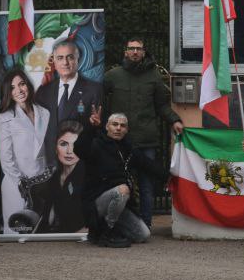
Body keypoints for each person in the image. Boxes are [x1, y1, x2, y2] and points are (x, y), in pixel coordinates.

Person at [102, 37, 183, 229]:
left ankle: (145, 225)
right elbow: (100, 103)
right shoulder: (112, 76)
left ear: (144, 52)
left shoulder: (153, 76)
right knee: (119, 185)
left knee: (147, 187)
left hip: (146, 141)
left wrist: (174, 120)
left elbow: (162, 105)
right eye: (132, 48)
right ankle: (120, 225)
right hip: (120, 141)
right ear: (125, 52)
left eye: (139, 49)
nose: (135, 52)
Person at [75, 111, 166, 248]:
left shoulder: (128, 149)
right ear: (107, 127)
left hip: (119, 203)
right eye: (115, 124)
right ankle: (106, 234)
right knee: (123, 190)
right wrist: (91, 127)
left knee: (143, 235)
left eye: (122, 126)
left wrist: (172, 177)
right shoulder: (96, 145)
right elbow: (79, 149)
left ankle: (106, 231)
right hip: (97, 202)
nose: (118, 128)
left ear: (126, 130)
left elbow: (148, 165)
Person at [0, 65, 50, 233]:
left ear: (28, 85)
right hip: (16, 184)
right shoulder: (5, 117)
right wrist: (22, 183)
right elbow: (6, 159)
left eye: (21, 84)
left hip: (41, 185)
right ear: (7, 92)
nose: (18, 90)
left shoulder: (45, 113)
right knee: (15, 234)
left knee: (37, 234)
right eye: (12, 87)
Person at [35, 37, 104, 164]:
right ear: (54, 62)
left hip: (80, 160)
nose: (65, 62)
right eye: (60, 58)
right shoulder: (42, 92)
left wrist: (97, 125)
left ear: (77, 59)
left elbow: (102, 130)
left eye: (70, 57)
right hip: (49, 161)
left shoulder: (95, 90)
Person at [28, 120, 88, 234]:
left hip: (83, 238)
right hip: (60, 238)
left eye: (75, 145)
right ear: (56, 147)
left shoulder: (88, 175)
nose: (70, 151)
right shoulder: (53, 179)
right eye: (63, 144)